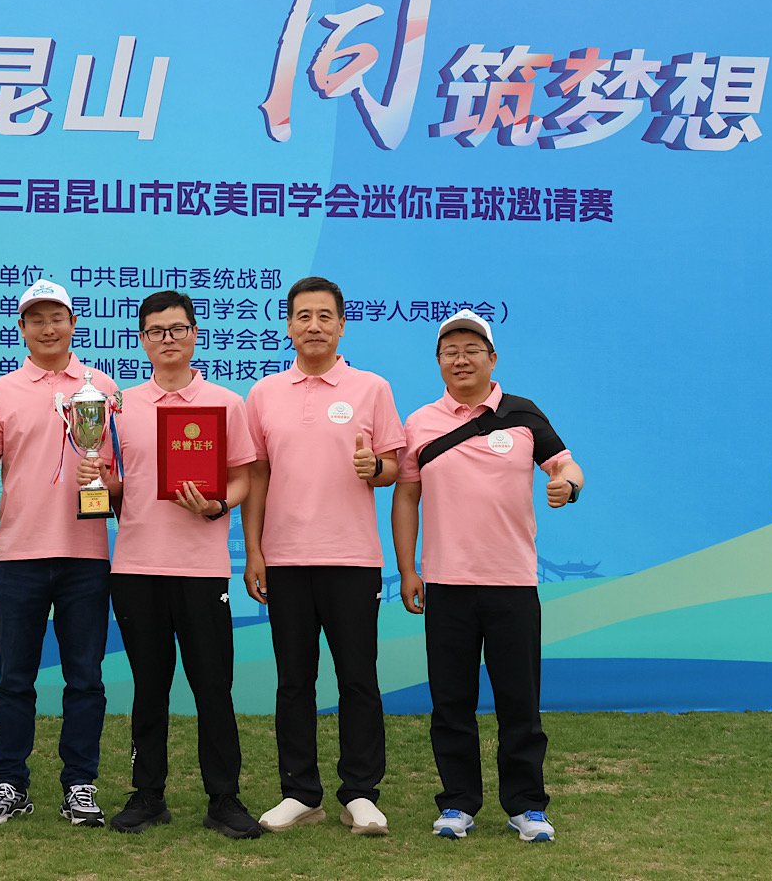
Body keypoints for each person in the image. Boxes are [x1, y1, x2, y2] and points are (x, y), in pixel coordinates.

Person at [391, 308, 586, 844]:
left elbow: (566, 465)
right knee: (450, 702)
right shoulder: (420, 422)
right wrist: (407, 568)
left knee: (518, 701)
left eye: (471, 350)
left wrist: (568, 486)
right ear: (438, 362)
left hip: (512, 583)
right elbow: (406, 496)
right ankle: (458, 803)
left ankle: (527, 806)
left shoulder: (523, 414)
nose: (461, 359)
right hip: (447, 584)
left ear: (492, 358)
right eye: (450, 351)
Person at [79, 290, 263, 840]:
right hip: (137, 568)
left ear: (194, 334)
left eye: (177, 328)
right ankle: (147, 794)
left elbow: (242, 477)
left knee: (213, 687)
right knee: (149, 687)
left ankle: (224, 799)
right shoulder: (120, 407)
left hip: (202, 569)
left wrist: (217, 505)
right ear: (142, 340)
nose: (167, 339)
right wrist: (102, 480)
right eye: (156, 331)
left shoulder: (225, 403)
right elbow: (116, 487)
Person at [241, 276, 404, 836]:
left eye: (324, 316)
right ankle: (300, 792)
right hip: (285, 558)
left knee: (358, 678)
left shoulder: (372, 388)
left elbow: (394, 466)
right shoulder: (264, 394)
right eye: (303, 316)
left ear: (341, 325)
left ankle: (360, 793)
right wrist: (254, 551)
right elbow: (257, 477)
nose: (314, 326)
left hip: (351, 557)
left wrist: (374, 467)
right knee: (294, 680)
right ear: (288, 326)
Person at [0, 279, 115, 828]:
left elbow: (118, 473)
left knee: (85, 678)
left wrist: (102, 477)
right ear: (22, 329)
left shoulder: (102, 387)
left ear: (73, 324)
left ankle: (80, 785)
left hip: (86, 554)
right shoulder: (0, 392)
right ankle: (9, 782)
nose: (48, 328)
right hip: (20, 554)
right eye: (36, 319)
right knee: (14, 678)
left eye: (57, 318)